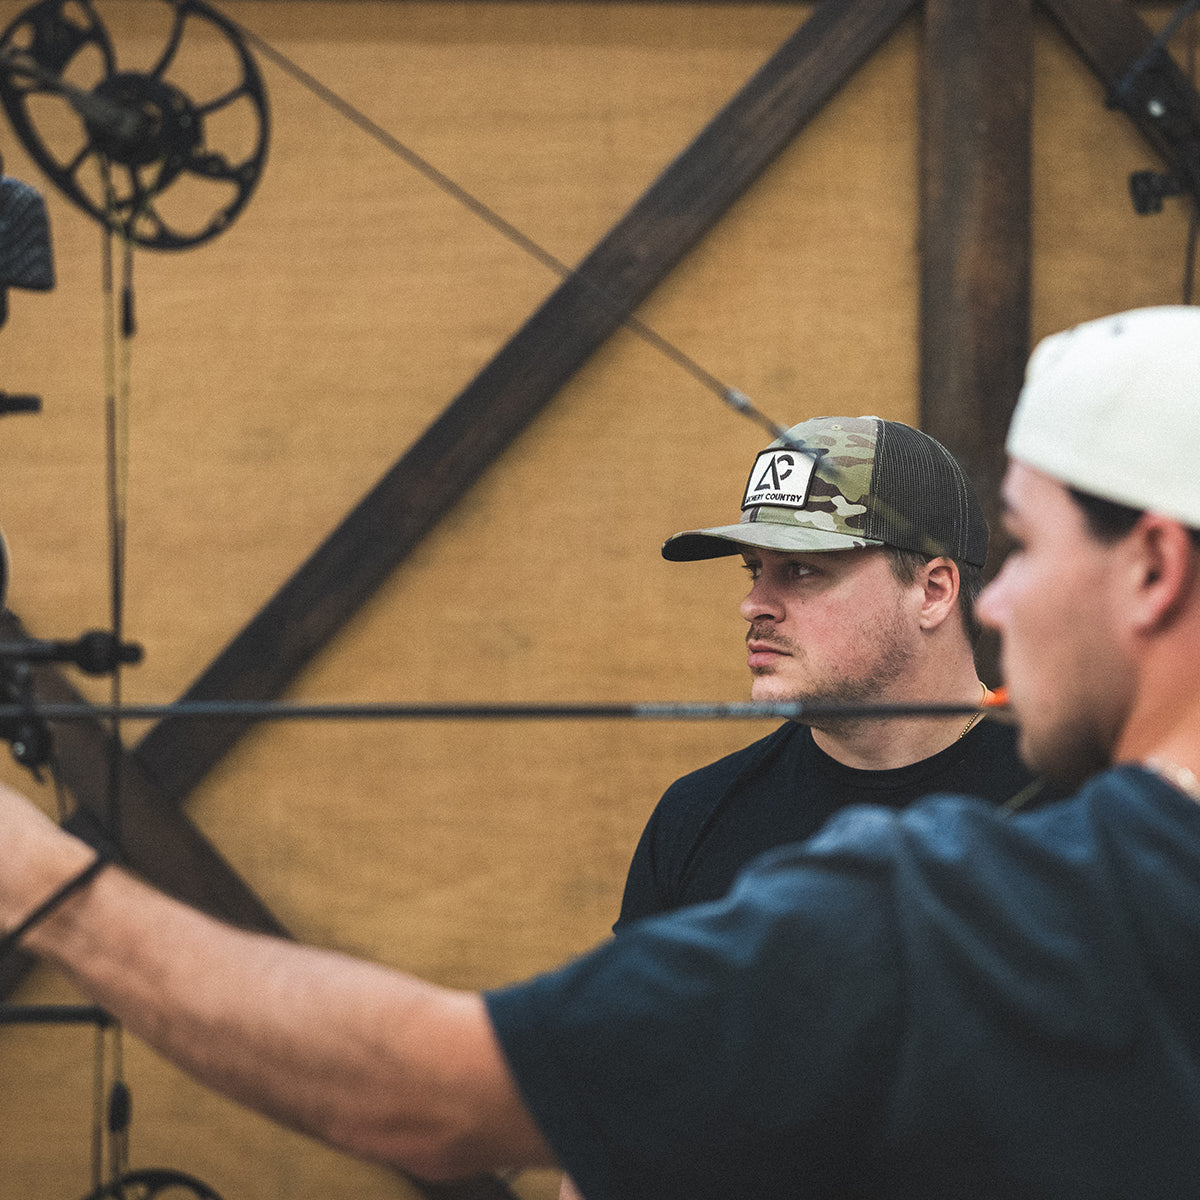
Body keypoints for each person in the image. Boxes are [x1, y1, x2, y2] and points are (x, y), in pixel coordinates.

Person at [4, 304, 1200, 1199]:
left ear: (1151, 569)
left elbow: (434, 1090)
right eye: (753, 572)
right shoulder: (715, 821)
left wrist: (45, 888)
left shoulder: (966, 896)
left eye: (1027, 548)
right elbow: (606, 1141)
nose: (757, 605)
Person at [616, 413, 1039, 929]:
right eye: (755, 569)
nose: (754, 605)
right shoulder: (697, 816)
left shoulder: (1068, 811)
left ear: (933, 592)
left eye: (801, 569)